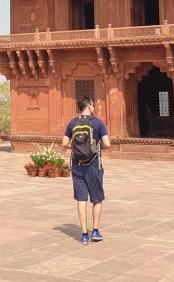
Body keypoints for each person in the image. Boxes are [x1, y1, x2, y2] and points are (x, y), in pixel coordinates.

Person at [62, 97, 110, 245]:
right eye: (93, 105)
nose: (94, 107)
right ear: (89, 106)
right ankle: (95, 231)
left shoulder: (72, 123)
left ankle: (83, 234)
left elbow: (64, 143)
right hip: (94, 165)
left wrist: (77, 148)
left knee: (81, 199)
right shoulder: (97, 122)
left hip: (77, 165)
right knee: (97, 199)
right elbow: (107, 144)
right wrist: (95, 146)